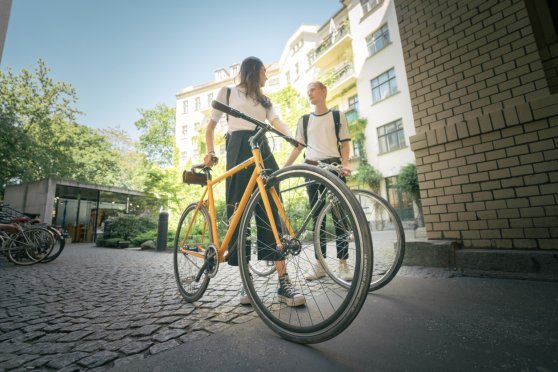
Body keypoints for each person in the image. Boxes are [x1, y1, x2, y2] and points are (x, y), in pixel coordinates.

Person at [203, 56, 305, 307]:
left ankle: (283, 282)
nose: (267, 76)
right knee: (239, 211)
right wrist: (211, 151)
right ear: (254, 70)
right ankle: (245, 281)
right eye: (264, 71)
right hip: (238, 146)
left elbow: (277, 122)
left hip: (262, 145)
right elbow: (211, 126)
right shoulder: (227, 93)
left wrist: (292, 138)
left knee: (271, 211)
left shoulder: (265, 101)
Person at [284, 81, 353, 282]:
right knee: (317, 218)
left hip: (334, 168)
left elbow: (346, 143)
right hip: (312, 169)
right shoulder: (304, 120)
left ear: (324, 91)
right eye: (307, 91)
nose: (309, 93)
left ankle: (343, 265)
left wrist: (345, 164)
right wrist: (285, 168)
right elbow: (298, 148)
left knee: (339, 217)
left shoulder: (337, 116)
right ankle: (319, 265)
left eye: (312, 89)